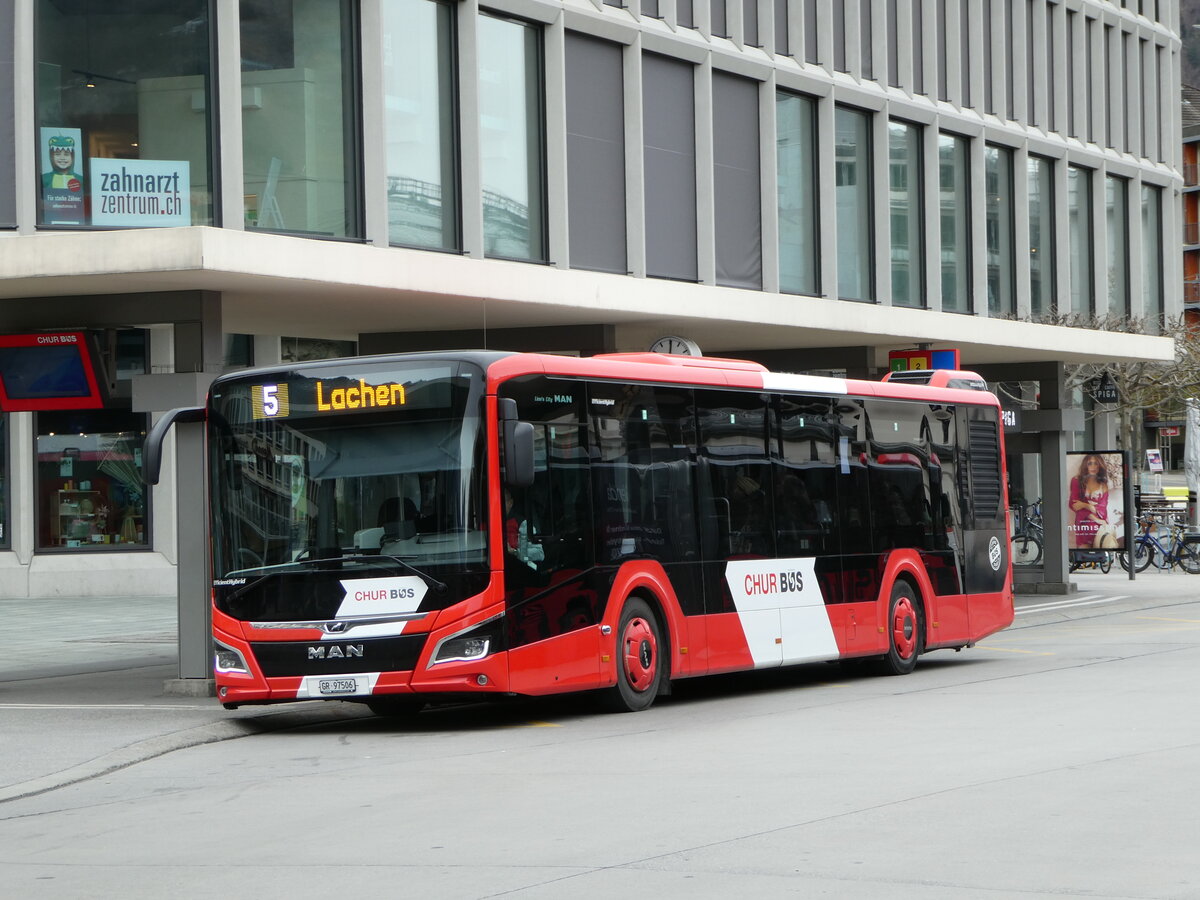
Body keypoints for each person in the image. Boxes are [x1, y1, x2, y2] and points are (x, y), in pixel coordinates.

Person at [1068, 454, 1110, 549]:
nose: (1093, 467)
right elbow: (1073, 505)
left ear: (1100, 465)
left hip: (1100, 526)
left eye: (1096, 464)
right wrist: (1089, 506)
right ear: (1085, 465)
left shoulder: (1103, 485)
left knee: (1100, 556)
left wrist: (1083, 505)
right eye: (1090, 463)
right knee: (1083, 553)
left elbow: (1103, 508)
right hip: (1084, 525)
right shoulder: (1076, 481)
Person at [504, 488, 543, 569]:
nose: (498, 506)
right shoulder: (486, 526)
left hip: (519, 570)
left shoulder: (522, 524)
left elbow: (539, 554)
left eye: (502, 502)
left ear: (510, 503)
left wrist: (514, 552)